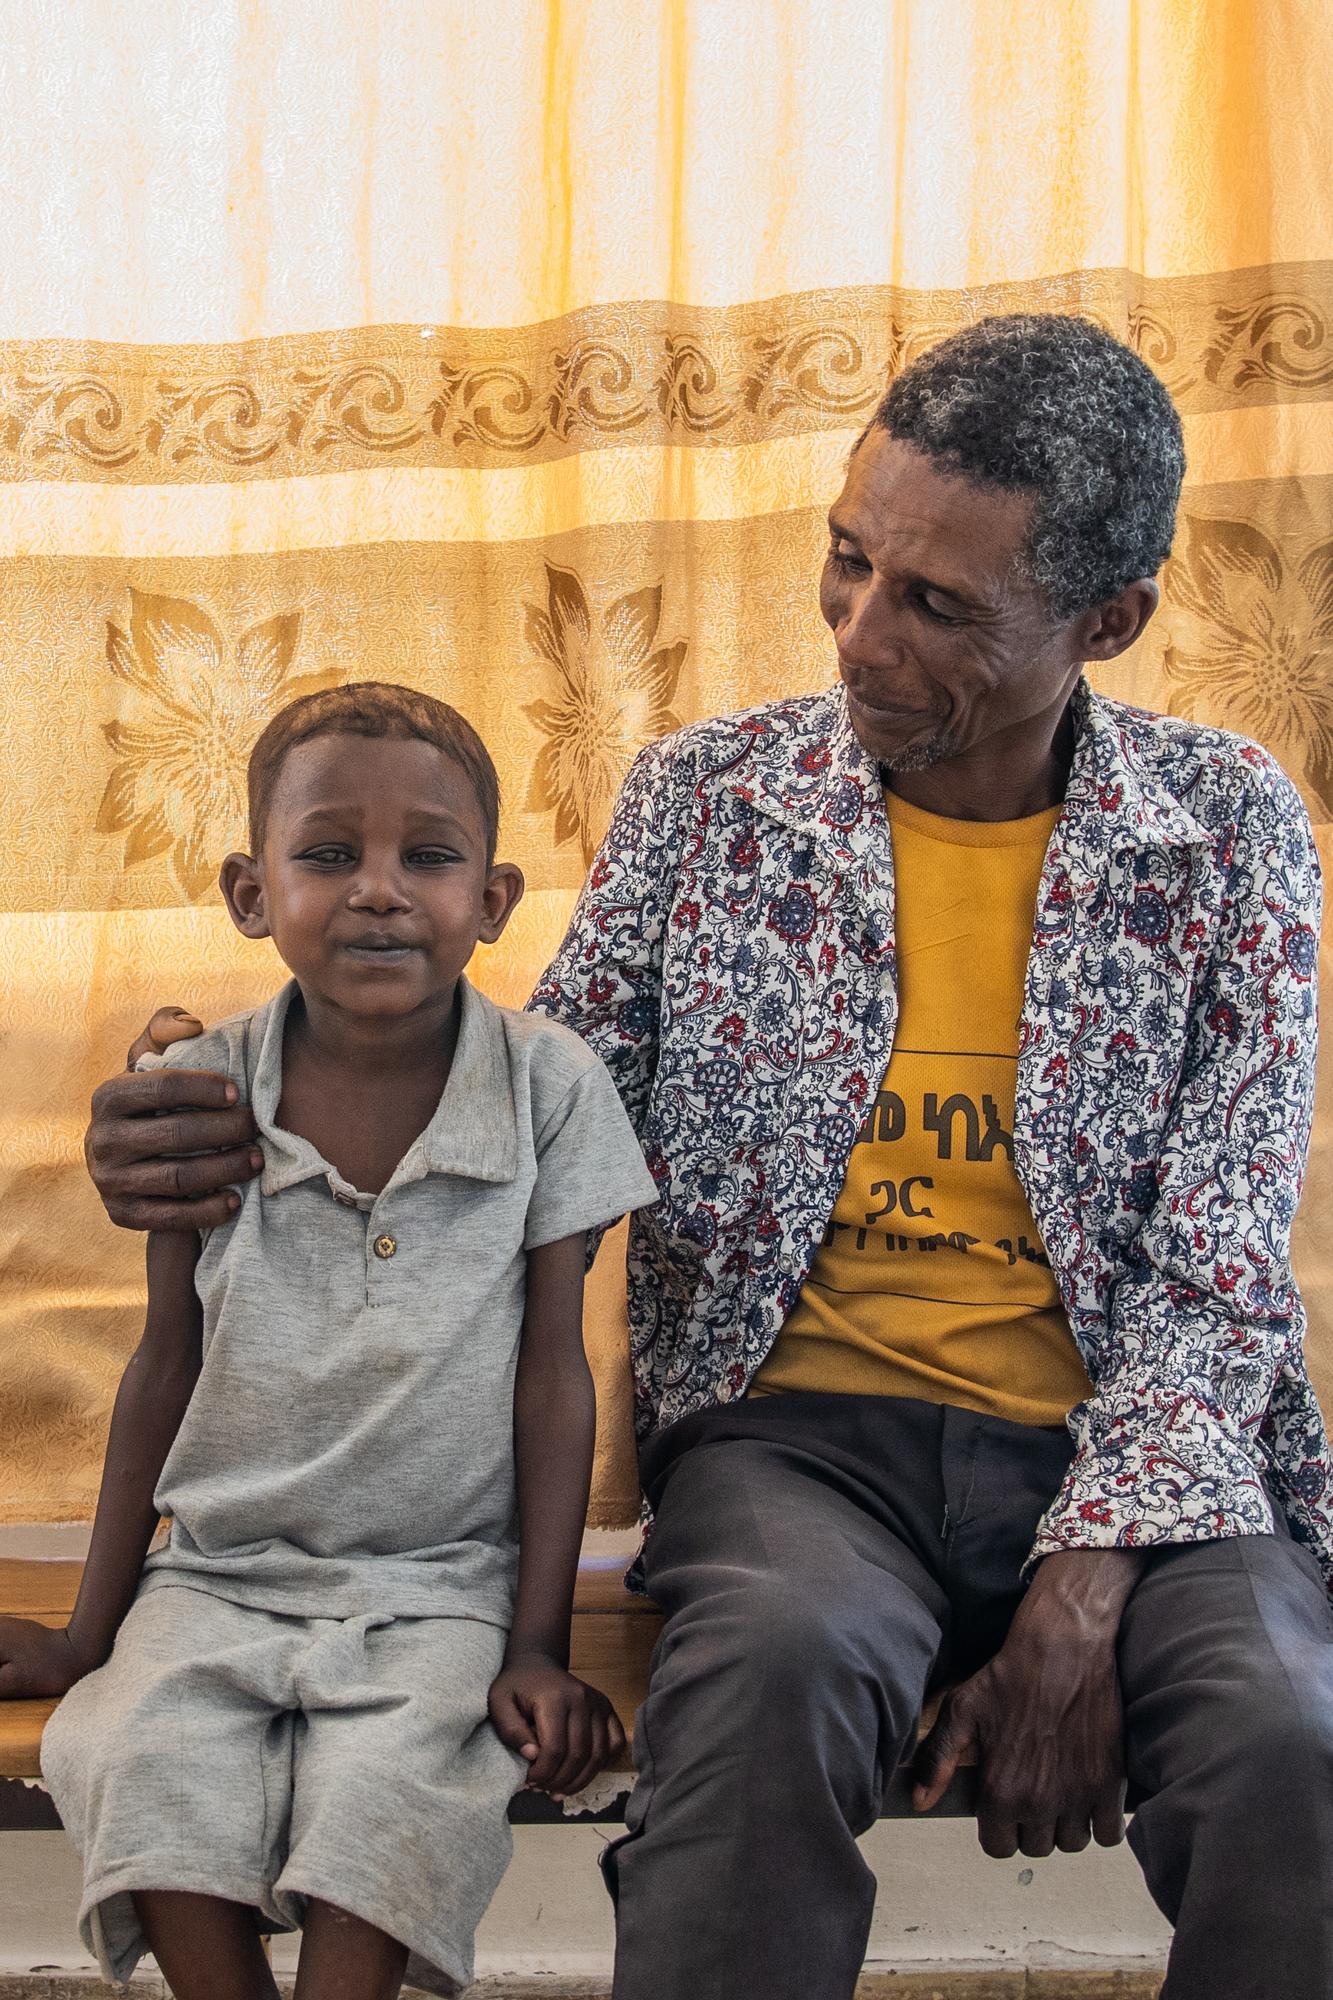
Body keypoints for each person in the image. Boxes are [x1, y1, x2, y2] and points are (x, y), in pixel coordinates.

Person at [82, 317, 1333, 2000]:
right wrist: (211, 1088)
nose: (859, 637)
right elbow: (520, 1104)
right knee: (764, 1690)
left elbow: (1223, 1253)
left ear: (1105, 622)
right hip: (800, 1450)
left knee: (1289, 1744)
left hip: (1146, 1459)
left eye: (935, 604)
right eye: (846, 563)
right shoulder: (709, 802)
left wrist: (1087, 1578)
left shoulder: (1228, 827)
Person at [2, 683, 657, 2000]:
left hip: (441, 1590)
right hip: (218, 1579)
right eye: (325, 854)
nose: (377, 891)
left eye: (427, 857)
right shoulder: (199, 1093)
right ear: (250, 894)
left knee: (399, 1788)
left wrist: (531, 1648)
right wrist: (88, 1638)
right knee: (135, 1754)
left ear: (495, 899)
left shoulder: (549, 1086)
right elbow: (163, 1363)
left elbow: (552, 1381)